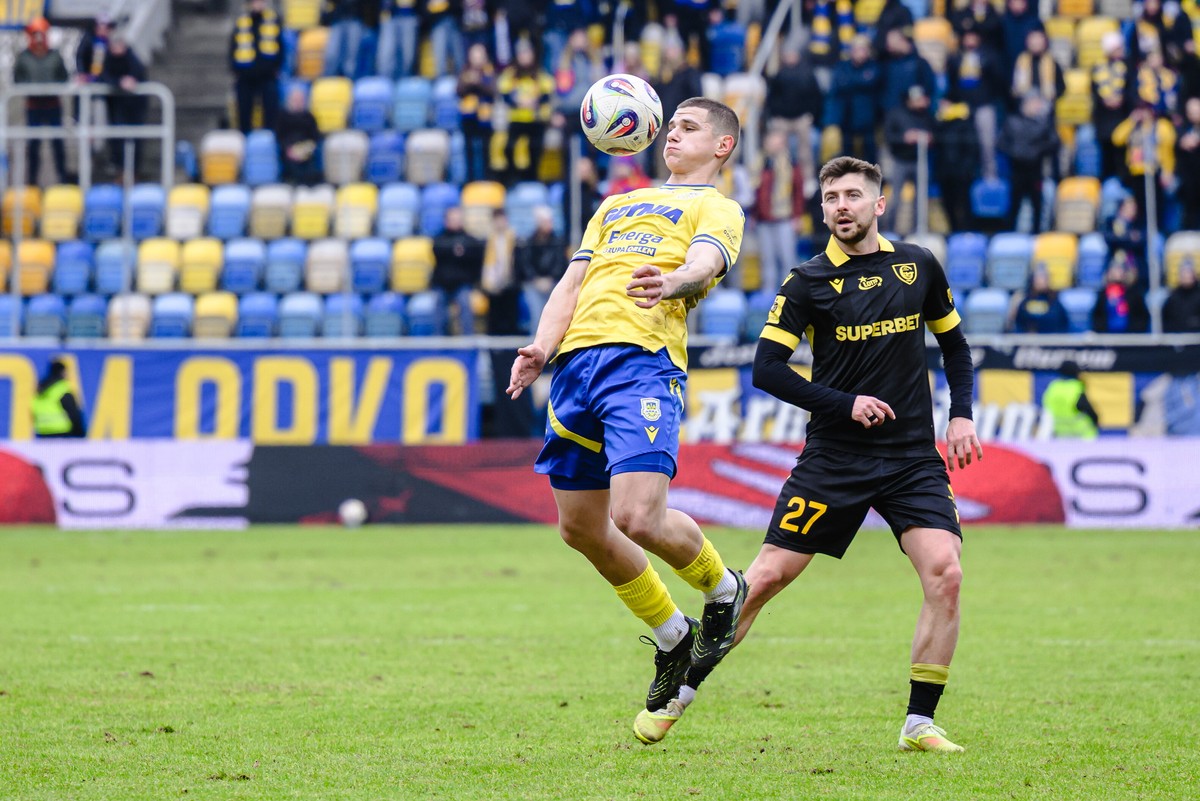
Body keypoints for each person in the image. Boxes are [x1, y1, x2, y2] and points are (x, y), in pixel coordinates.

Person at [637, 156, 983, 753]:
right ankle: (680, 692)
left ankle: (919, 723)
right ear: (822, 209)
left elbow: (954, 345)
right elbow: (767, 369)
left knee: (945, 573)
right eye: (830, 198)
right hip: (835, 458)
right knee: (766, 579)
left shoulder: (919, 266)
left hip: (909, 459)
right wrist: (844, 403)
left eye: (852, 195)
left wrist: (960, 415)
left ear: (879, 204)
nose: (840, 206)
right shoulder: (807, 281)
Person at [505, 98, 749, 746]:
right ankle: (673, 637)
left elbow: (705, 263)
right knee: (579, 526)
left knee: (637, 516)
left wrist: (671, 282)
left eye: (689, 128)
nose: (673, 136)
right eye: (670, 128)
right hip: (577, 368)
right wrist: (542, 346)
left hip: (642, 365)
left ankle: (724, 589)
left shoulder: (716, 208)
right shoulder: (615, 205)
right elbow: (571, 282)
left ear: (722, 146)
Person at [12, 17, 70, 185]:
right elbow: (18, 80)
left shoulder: (55, 56)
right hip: (33, 107)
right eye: (35, 34)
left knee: (58, 144)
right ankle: (32, 183)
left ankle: (62, 181)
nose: (38, 38)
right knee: (33, 146)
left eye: (41, 34)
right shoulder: (23, 57)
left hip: (53, 106)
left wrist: (53, 88)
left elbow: (63, 78)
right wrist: (30, 89)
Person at [998, 93, 1058, 234]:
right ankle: (1009, 234)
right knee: (1014, 205)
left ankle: (1037, 235)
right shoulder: (1012, 122)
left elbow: (1054, 143)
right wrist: (1015, 152)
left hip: (1035, 170)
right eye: (1033, 103)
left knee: (1037, 205)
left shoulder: (1044, 123)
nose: (1036, 107)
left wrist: (1037, 151)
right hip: (1016, 171)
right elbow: (1000, 143)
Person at [753, 130, 805, 294]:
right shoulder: (761, 163)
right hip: (764, 220)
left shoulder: (791, 164)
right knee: (767, 260)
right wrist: (754, 215)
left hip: (785, 218)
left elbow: (798, 192)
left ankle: (788, 295)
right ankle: (768, 297)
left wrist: (798, 217)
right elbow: (756, 192)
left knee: (787, 259)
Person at [99, 32, 148, 178]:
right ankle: (120, 170)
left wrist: (131, 80)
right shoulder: (108, 59)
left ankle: (134, 171)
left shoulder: (132, 57)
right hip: (116, 106)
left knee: (135, 137)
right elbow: (104, 76)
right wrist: (119, 83)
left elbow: (139, 72)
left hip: (134, 106)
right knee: (117, 138)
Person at [229, 0, 282, 135]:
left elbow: (281, 46)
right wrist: (235, 69)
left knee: (271, 110)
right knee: (244, 111)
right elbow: (233, 46)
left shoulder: (273, 20)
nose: (258, 5)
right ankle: (245, 138)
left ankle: (269, 139)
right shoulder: (241, 21)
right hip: (246, 75)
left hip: (267, 74)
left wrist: (276, 67)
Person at [431, 206, 486, 335]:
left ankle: (468, 340)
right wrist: (454, 251)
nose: (456, 221)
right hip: (442, 285)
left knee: (465, 304)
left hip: (462, 285)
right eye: (452, 219)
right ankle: (438, 341)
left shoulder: (469, 239)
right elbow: (437, 250)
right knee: (437, 305)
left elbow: (476, 255)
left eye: (458, 219)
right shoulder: (439, 239)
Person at [515, 205, 566, 335]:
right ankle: (535, 343)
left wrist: (550, 279)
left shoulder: (558, 241)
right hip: (533, 284)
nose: (549, 224)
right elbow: (525, 265)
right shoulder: (528, 242)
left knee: (555, 314)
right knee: (536, 314)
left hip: (553, 283)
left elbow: (560, 264)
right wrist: (535, 279)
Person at [1090, 252, 1150, 333]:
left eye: (1120, 268)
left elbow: (1142, 318)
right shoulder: (1102, 295)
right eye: (1114, 268)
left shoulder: (1135, 295)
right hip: (1107, 339)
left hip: (1130, 340)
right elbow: (1097, 318)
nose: (1117, 271)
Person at [276, 86, 322, 185]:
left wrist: (307, 149)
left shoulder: (309, 117)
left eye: (300, 100)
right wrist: (289, 151)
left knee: (312, 172)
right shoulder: (283, 117)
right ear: (289, 100)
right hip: (289, 152)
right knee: (295, 172)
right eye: (295, 100)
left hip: (306, 151)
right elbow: (280, 137)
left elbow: (315, 137)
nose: (298, 102)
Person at [1041, 361, 1099, 439]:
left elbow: (1045, 407)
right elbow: (1089, 410)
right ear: (1075, 372)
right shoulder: (1076, 387)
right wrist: (1096, 421)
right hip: (1081, 436)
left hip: (1060, 435)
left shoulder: (1053, 387)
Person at [33, 359, 87, 438]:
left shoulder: (39, 390)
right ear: (63, 372)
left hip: (43, 433)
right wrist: (80, 433)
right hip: (62, 434)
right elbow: (73, 414)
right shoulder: (61, 389)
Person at [1009, 269, 1071, 333]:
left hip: (1052, 338)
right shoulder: (1025, 301)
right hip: (1028, 339)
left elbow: (1063, 322)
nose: (1041, 281)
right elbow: (1019, 323)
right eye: (1038, 278)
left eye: (1044, 278)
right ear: (1033, 280)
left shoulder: (1054, 301)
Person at [1162, 262, 1200, 333]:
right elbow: (1166, 320)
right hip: (1177, 338)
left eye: (1189, 273)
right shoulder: (1172, 297)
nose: (1187, 276)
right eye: (1184, 273)